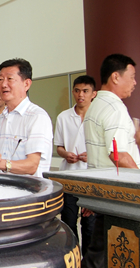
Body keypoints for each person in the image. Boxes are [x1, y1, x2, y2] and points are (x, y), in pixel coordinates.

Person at [81, 53, 140, 268]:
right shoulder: (115, 108)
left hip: (103, 192)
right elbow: (118, 155)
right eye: (132, 76)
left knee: (100, 250)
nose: (135, 82)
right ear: (116, 77)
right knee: (114, 254)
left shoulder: (95, 106)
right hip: (120, 195)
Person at [0, 58, 53, 177]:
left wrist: (2, 163)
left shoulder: (37, 117)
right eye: (0, 79)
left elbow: (32, 166)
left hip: (28, 193)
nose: (3, 84)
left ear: (26, 84)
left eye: (9, 79)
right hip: (1, 191)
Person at [54, 75, 97, 257]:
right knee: (69, 222)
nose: (81, 95)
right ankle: (73, 258)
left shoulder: (98, 117)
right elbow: (59, 147)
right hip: (69, 178)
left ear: (93, 94)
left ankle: (88, 261)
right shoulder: (64, 117)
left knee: (90, 226)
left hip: (92, 179)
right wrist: (67, 155)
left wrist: (92, 155)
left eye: (85, 91)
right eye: (78, 90)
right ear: (73, 92)